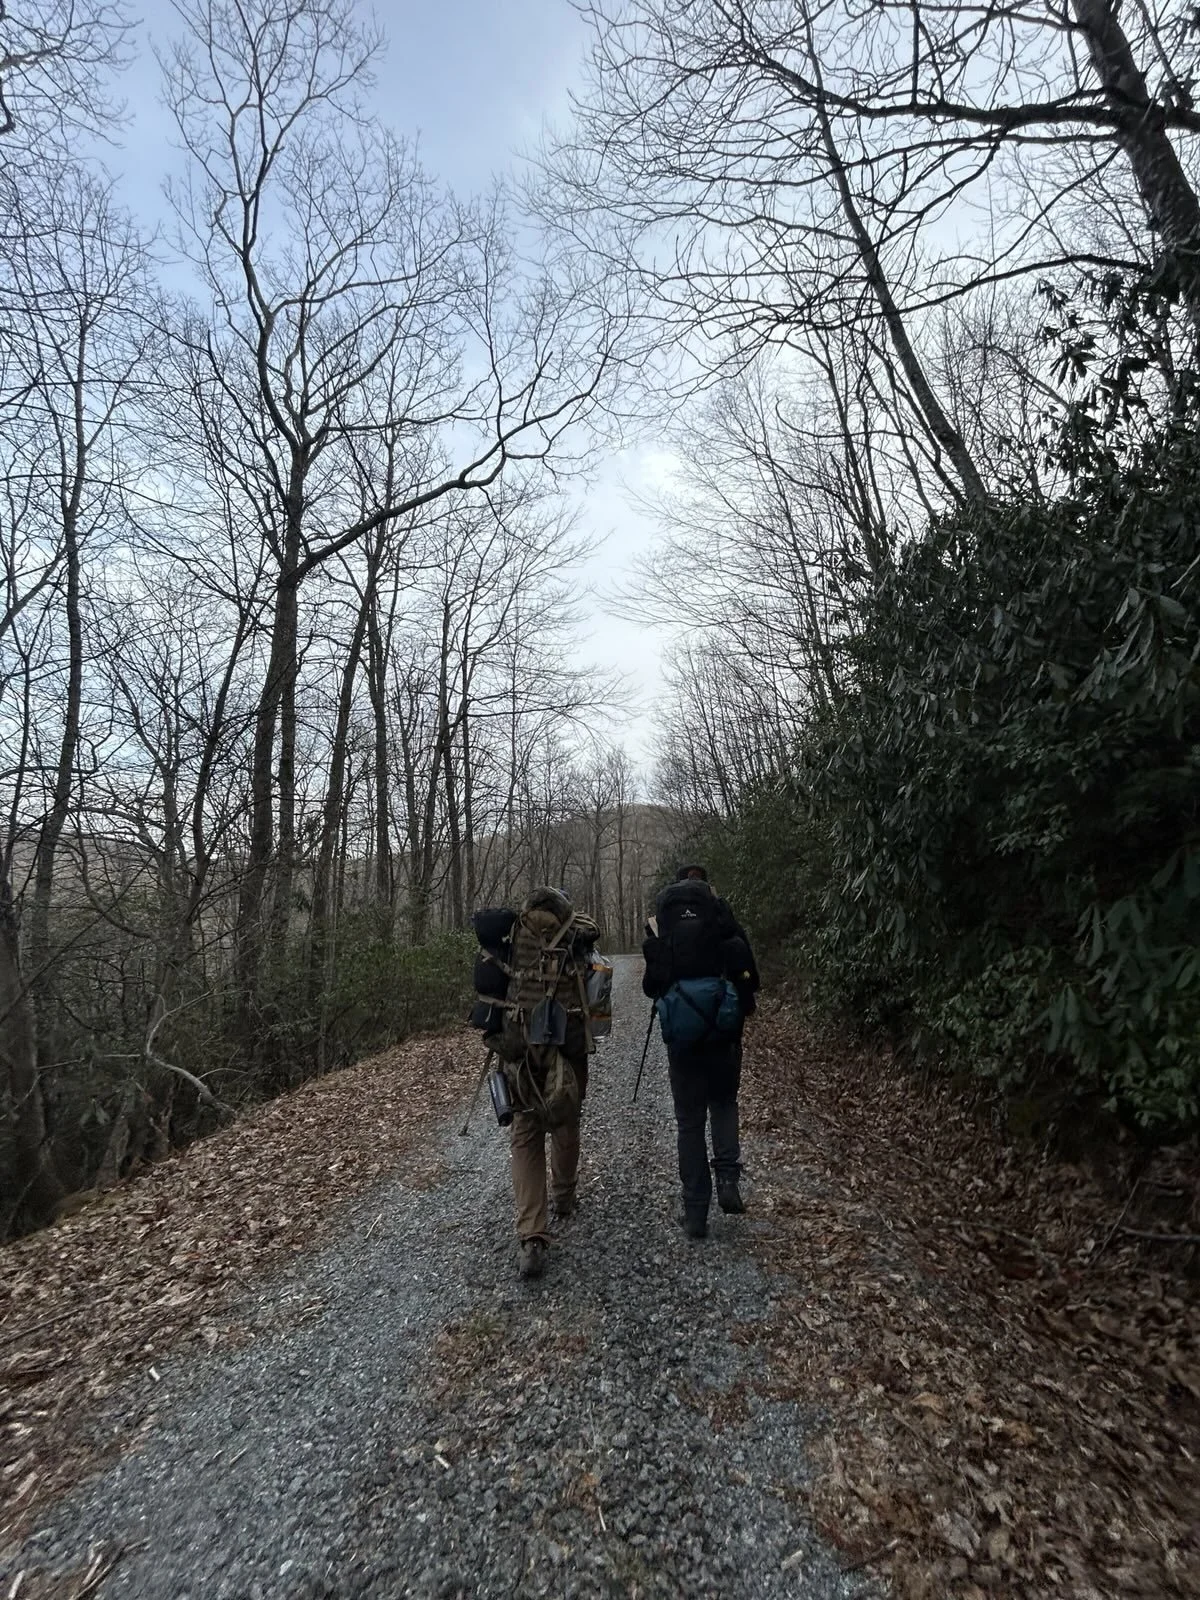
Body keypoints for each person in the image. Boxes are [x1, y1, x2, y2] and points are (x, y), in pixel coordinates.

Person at [474, 886, 600, 1280]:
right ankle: (564, 1196)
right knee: (566, 1119)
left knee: (526, 1132)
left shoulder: (513, 934)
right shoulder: (577, 934)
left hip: (521, 1049)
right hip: (569, 1048)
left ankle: (532, 1233)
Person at [642, 864, 760, 1239]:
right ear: (708, 887)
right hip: (724, 1038)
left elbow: (650, 986)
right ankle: (727, 1180)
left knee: (689, 1122)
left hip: (684, 1044)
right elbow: (751, 982)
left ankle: (695, 1213)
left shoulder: (666, 928)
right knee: (724, 1104)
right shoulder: (722, 922)